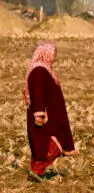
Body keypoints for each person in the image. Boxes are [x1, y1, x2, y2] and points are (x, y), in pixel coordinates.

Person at [24, 41, 76, 182]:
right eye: (52, 53)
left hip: (51, 114)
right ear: (45, 53)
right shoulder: (39, 70)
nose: (54, 57)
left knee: (46, 143)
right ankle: (36, 171)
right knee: (49, 144)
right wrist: (39, 113)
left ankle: (37, 172)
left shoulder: (45, 70)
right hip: (45, 116)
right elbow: (38, 92)